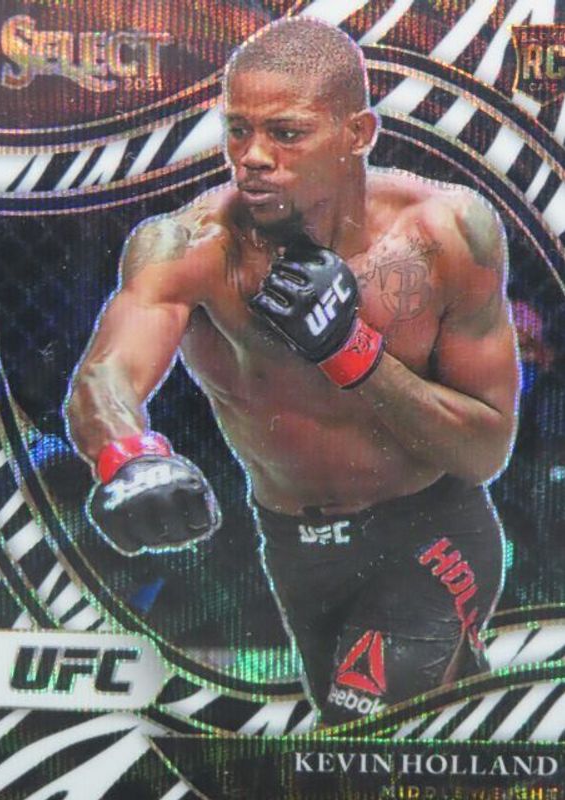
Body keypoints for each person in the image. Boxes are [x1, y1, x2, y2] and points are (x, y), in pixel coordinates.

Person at [65, 18, 519, 725]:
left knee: (358, 732)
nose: (252, 157)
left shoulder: (444, 235)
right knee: (390, 736)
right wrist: (128, 453)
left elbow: (485, 450)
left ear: (358, 134)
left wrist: (351, 353)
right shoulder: (192, 246)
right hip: (291, 548)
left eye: (286, 133)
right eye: (237, 130)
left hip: (429, 533)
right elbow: (105, 375)